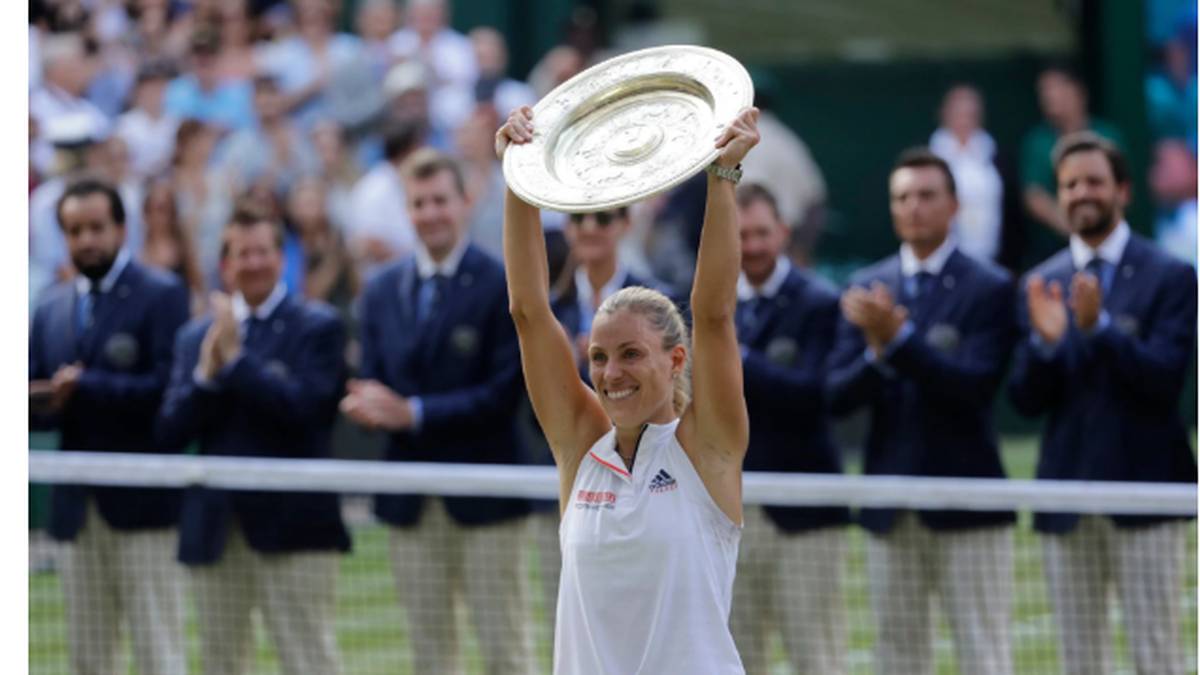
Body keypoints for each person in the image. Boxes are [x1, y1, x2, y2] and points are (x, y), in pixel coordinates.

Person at [498, 104, 758, 673]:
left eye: (631, 355)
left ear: (676, 360)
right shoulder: (581, 449)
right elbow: (528, 312)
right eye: (598, 357)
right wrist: (519, 179)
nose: (611, 374)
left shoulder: (707, 449)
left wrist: (723, 177)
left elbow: (712, 314)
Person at [1008, 132, 1197, 675]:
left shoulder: (1172, 275)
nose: (1081, 193)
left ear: (1123, 191)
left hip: (1148, 495)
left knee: (1155, 654)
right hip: (1067, 495)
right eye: (1069, 185)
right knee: (1078, 658)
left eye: (1094, 181)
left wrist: (1098, 328)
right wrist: (1047, 344)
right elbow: (1025, 400)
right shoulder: (1041, 283)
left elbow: (1163, 382)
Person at [826, 148, 1017, 675]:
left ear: (953, 205)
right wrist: (878, 352)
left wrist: (898, 339)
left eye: (927, 195)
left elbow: (974, 387)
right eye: (902, 197)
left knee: (986, 655)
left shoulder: (991, 287)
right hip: (891, 505)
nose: (914, 207)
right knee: (898, 657)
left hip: (970, 505)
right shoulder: (867, 286)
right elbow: (836, 396)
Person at [341, 149, 533, 674]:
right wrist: (371, 403)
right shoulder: (381, 290)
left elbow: (502, 394)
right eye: (419, 203)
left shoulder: (502, 281)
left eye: (440, 201)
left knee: (505, 650)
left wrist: (413, 412)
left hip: (486, 496)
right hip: (411, 500)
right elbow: (378, 379)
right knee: (429, 654)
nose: (430, 213)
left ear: (465, 203)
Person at [157, 209, 352, 675]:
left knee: (309, 660)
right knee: (221, 661)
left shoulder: (318, 325)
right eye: (243, 254)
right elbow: (170, 433)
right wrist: (206, 375)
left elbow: (307, 411)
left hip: (296, 529)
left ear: (280, 258)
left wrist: (237, 361)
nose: (254, 263)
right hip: (217, 531)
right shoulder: (193, 338)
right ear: (225, 265)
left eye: (263, 251)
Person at [29, 179, 191, 675]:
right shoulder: (49, 306)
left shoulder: (161, 293)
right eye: (75, 230)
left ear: (120, 228)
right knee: (88, 655)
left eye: (96, 228)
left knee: (157, 651)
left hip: (142, 507)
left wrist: (89, 385)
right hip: (76, 511)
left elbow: (169, 388)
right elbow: (35, 395)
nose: (86, 240)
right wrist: (39, 400)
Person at [729, 183, 849, 675]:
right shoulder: (699, 303)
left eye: (762, 233)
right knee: (733, 658)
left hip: (805, 516)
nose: (753, 246)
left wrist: (739, 359)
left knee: (816, 657)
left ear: (782, 233)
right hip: (728, 516)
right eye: (741, 235)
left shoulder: (820, 303)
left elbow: (816, 396)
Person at [1020, 66, 1124, 260]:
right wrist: (1076, 228)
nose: (1049, 97)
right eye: (1044, 92)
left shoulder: (1107, 135)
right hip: (1054, 249)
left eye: (1056, 89)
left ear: (1078, 92)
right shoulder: (1037, 142)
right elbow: (1034, 196)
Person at [929, 84, 1022, 270]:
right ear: (944, 114)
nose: (964, 119)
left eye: (971, 113)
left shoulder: (997, 155)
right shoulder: (930, 158)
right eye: (958, 112)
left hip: (995, 261)